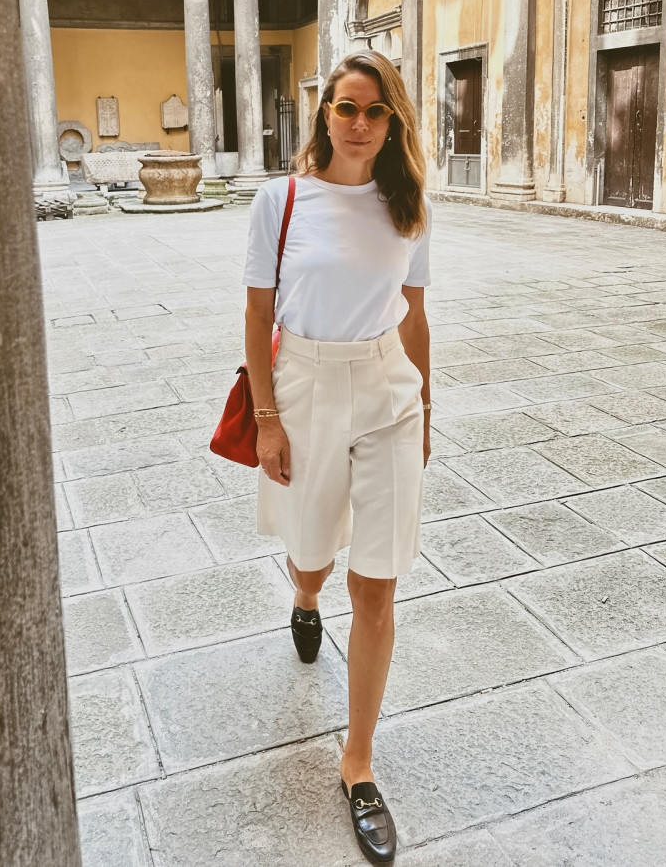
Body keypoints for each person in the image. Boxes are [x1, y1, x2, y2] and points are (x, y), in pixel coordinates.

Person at [243, 50, 431, 865]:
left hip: (389, 385)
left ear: (393, 122)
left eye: (376, 111)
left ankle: (358, 761)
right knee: (311, 550)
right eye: (346, 108)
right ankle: (305, 592)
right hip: (306, 383)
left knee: (379, 578)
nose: (359, 123)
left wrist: (428, 407)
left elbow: (416, 313)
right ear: (324, 112)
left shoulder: (408, 204)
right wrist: (267, 419)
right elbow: (256, 316)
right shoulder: (280, 199)